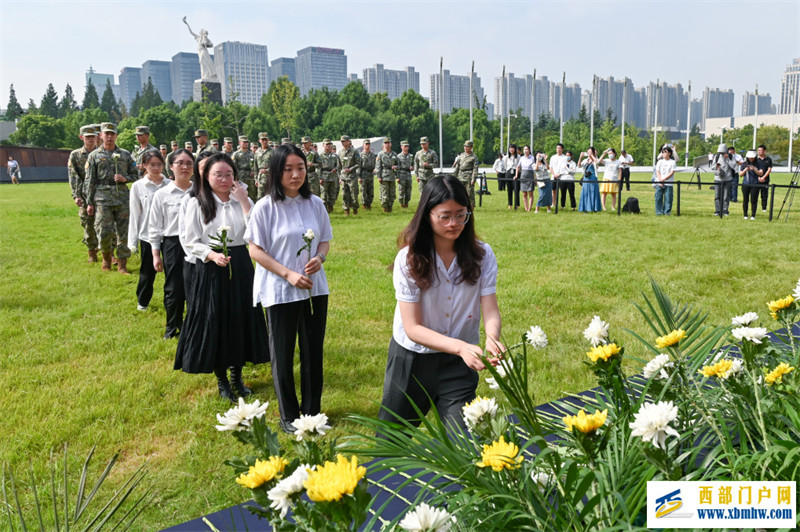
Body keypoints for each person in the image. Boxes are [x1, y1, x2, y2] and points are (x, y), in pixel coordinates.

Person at [377, 175, 503, 431]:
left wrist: (492, 337)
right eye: (444, 216)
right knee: (390, 443)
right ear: (427, 215)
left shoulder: (482, 254)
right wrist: (460, 347)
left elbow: (489, 307)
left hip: (459, 365)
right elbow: (412, 328)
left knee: (464, 445)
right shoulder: (409, 259)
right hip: (412, 360)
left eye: (461, 214)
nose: (454, 223)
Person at [246, 145, 333, 434]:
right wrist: (288, 274)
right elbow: (255, 251)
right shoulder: (265, 207)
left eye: (300, 168)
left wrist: (319, 259)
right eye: (288, 169)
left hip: (313, 290)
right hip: (280, 290)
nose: (296, 175)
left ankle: (312, 412)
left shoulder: (315, 204)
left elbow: (324, 241)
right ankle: (288, 415)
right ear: (276, 171)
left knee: (313, 352)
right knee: (282, 353)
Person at [175, 152, 269, 403]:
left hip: (240, 264)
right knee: (216, 320)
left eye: (229, 174)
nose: (225, 179)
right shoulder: (197, 202)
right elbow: (189, 240)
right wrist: (210, 255)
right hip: (211, 266)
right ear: (206, 176)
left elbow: (256, 234)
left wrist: (245, 201)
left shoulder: (243, 199)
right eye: (219, 174)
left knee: (240, 318)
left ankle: (237, 375)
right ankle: (222, 379)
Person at [149, 148, 194, 339]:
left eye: (188, 163)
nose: (184, 167)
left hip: (196, 243)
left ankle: (193, 327)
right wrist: (156, 254)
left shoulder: (200, 191)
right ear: (171, 167)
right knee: (174, 288)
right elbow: (155, 226)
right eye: (180, 163)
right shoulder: (162, 194)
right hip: (173, 245)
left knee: (195, 287)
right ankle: (173, 326)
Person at [84, 122, 139, 273]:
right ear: (100, 135)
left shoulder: (125, 155)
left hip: (122, 198)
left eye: (112, 134)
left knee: (123, 232)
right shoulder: (94, 156)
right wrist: (89, 202)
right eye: (106, 133)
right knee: (104, 231)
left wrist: (125, 178)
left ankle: (122, 264)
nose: (109, 136)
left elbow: (137, 175)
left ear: (116, 136)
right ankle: (107, 259)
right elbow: (90, 180)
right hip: (102, 199)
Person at [129, 150, 170, 311]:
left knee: (171, 272)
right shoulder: (138, 186)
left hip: (168, 235)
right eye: (152, 164)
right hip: (147, 235)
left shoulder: (170, 185)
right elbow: (135, 214)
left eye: (159, 164)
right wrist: (132, 241)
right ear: (144, 165)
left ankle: (172, 302)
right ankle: (143, 301)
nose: (156, 168)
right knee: (147, 271)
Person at [68, 125, 99, 262]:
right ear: (82, 137)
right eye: (88, 137)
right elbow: (73, 176)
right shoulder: (76, 155)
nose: (91, 139)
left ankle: (108, 253)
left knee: (107, 224)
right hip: (85, 195)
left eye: (93, 136)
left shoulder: (102, 153)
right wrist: (76, 195)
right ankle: (91, 252)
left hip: (102, 194)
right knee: (87, 222)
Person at [452, 140, 480, 209]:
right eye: (465, 146)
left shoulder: (474, 157)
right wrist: (454, 177)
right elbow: (457, 167)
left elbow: (475, 169)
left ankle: (471, 208)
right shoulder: (461, 156)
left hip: (469, 178)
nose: (465, 148)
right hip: (460, 177)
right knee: (459, 193)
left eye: (467, 146)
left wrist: (473, 179)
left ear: (471, 147)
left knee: (470, 194)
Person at [338, 135, 361, 215]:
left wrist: (351, 169)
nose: (343, 143)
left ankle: (355, 211)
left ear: (348, 141)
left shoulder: (354, 151)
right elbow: (339, 166)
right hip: (344, 176)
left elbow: (358, 163)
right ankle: (346, 211)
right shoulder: (340, 152)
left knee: (354, 194)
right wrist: (339, 177)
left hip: (352, 177)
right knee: (344, 194)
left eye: (344, 141)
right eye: (342, 142)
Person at [711, 143, 735, 217]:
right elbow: (712, 167)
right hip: (718, 178)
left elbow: (733, 166)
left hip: (728, 179)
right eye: (720, 152)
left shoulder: (731, 156)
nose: (721, 154)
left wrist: (727, 159)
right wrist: (716, 166)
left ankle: (725, 210)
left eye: (722, 152)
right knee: (717, 195)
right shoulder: (717, 156)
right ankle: (717, 210)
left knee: (726, 196)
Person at [376, 138, 399, 212]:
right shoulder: (380, 154)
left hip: (392, 176)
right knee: (385, 194)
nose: (387, 144)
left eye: (388, 143)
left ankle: (390, 208)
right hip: (384, 176)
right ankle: (385, 209)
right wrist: (379, 177)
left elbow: (399, 165)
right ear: (383, 144)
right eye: (386, 143)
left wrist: (396, 167)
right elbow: (378, 167)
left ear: (391, 144)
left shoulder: (394, 154)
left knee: (392, 194)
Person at [319, 139, 340, 213]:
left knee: (332, 194)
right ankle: (324, 210)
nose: (328, 146)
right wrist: (320, 178)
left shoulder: (334, 155)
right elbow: (319, 168)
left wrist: (336, 169)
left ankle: (331, 208)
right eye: (326, 144)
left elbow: (338, 165)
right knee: (324, 194)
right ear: (323, 145)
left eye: (329, 144)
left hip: (333, 176)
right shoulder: (321, 156)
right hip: (324, 176)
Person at [578, 147, 602, 212]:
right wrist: (580, 157)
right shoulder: (586, 160)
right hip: (586, 178)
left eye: (590, 152)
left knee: (593, 192)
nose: (589, 154)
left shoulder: (595, 159)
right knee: (585, 193)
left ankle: (594, 208)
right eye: (588, 152)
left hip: (593, 178)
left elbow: (597, 162)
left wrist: (592, 156)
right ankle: (585, 208)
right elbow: (579, 165)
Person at [232, 136, 256, 203]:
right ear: (240, 142)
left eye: (247, 142)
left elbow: (254, 164)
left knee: (252, 194)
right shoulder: (236, 154)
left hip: (250, 176)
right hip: (241, 176)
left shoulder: (251, 154)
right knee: (242, 193)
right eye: (244, 142)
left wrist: (253, 171)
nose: (246, 143)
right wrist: (235, 178)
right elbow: (234, 167)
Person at [654, 146, 677, 215]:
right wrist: (660, 180)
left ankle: (667, 212)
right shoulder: (660, 162)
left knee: (668, 199)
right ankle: (659, 212)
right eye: (663, 152)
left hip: (668, 183)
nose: (664, 153)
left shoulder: (672, 162)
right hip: (659, 182)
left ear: (669, 153)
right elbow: (657, 171)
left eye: (665, 152)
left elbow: (672, 172)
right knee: (658, 198)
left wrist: (663, 180)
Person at [739, 150, 762, 220]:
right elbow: (740, 174)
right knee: (745, 200)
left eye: (752, 157)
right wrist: (745, 170)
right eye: (749, 157)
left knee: (754, 200)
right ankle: (745, 215)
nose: (751, 159)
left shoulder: (759, 163)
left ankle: (753, 215)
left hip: (755, 184)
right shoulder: (744, 164)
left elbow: (761, 173)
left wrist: (754, 169)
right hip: (746, 183)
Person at [549, 143, 572, 210]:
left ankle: (562, 205)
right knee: (553, 191)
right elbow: (551, 167)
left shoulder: (565, 157)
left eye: (560, 148)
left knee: (562, 191)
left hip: (562, 177)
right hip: (553, 176)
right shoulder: (553, 157)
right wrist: (554, 174)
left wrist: (559, 174)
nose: (558, 149)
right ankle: (553, 203)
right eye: (557, 148)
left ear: (562, 149)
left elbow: (565, 167)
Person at [516, 145, 536, 212]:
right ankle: (526, 207)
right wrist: (516, 175)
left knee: (530, 192)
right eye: (524, 149)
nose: (525, 151)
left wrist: (535, 178)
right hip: (523, 175)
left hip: (530, 175)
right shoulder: (522, 158)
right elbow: (518, 167)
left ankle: (529, 208)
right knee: (524, 193)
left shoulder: (532, 158)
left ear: (529, 150)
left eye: (527, 149)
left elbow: (534, 169)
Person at [359, 139, 377, 209]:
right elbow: (359, 166)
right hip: (363, 173)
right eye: (366, 144)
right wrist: (359, 177)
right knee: (364, 190)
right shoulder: (360, 155)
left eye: (368, 144)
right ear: (363, 145)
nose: (367, 145)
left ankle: (369, 204)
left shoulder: (372, 155)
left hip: (370, 174)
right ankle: (364, 205)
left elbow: (374, 164)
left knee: (370, 190)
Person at [254, 132, 272, 201]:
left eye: (266, 140)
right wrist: (256, 178)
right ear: (259, 140)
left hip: (270, 177)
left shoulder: (272, 152)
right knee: (260, 198)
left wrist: (267, 170)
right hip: (260, 178)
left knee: (270, 196)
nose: (264, 141)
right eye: (263, 140)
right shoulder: (257, 152)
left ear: (268, 140)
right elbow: (255, 166)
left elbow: (275, 165)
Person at [396, 140, 414, 208]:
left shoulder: (410, 156)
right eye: (405, 146)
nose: (406, 148)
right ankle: (401, 204)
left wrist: (412, 167)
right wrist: (397, 177)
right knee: (401, 191)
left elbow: (413, 164)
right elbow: (397, 168)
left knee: (408, 192)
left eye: (407, 146)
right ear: (401, 147)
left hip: (408, 175)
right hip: (401, 175)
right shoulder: (398, 156)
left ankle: (406, 203)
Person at [756, 144, 773, 212]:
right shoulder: (755, 160)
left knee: (764, 194)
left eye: (760, 150)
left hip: (765, 180)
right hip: (756, 180)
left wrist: (763, 177)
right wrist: (758, 177)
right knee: (755, 194)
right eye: (758, 150)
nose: (759, 152)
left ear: (764, 151)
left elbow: (769, 169)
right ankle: (754, 207)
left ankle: (764, 207)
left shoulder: (768, 159)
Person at [504, 144, 520, 210]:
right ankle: (510, 204)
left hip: (516, 173)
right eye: (510, 148)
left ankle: (517, 204)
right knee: (509, 189)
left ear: (515, 149)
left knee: (516, 190)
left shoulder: (518, 157)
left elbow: (519, 166)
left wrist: (517, 173)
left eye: (513, 148)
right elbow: (505, 165)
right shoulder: (506, 157)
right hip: (508, 172)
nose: (511, 150)